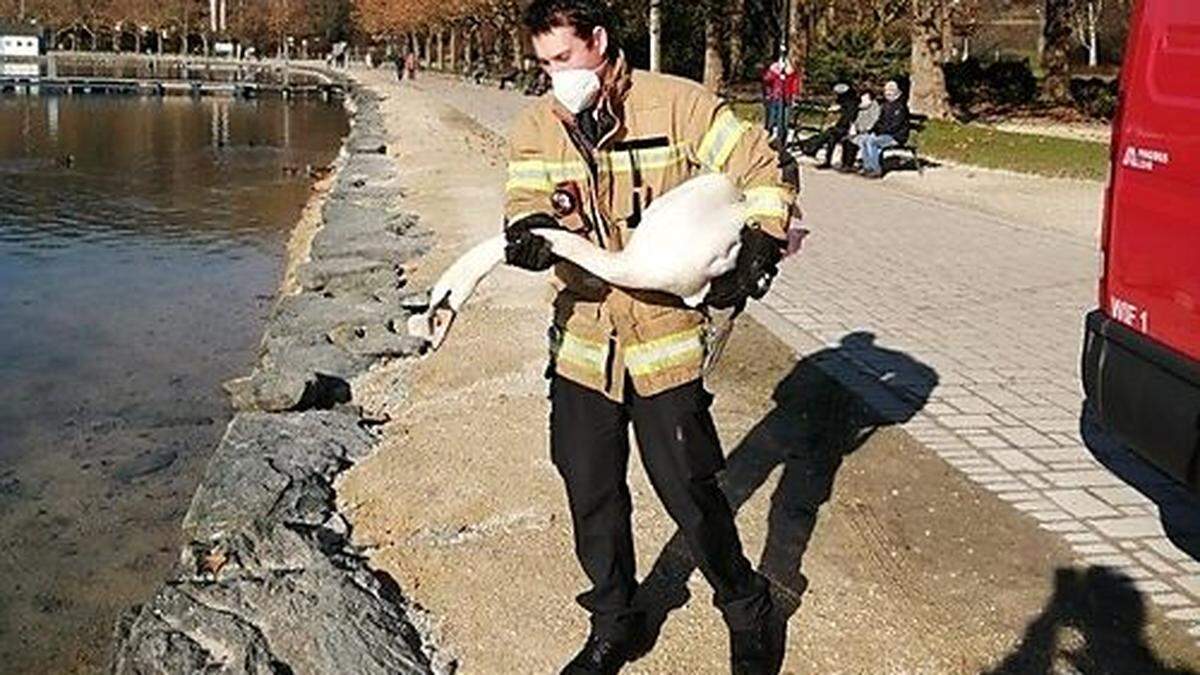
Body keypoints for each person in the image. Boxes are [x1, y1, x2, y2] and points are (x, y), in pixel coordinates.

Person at [504, 1, 796, 673]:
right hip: (583, 341)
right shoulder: (533, 127)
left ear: (599, 41)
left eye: (565, 58)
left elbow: (761, 168)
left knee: (689, 489)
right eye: (544, 64)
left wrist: (761, 241)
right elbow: (523, 201)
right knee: (590, 490)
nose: (556, 76)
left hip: (662, 341)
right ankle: (616, 620)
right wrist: (526, 233)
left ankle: (746, 602)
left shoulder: (679, 105)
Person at [859, 80, 910, 179]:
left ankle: (876, 169)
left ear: (896, 92)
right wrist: (874, 129)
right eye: (887, 91)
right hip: (884, 134)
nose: (888, 93)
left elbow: (894, 126)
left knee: (872, 142)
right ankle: (868, 167)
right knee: (865, 140)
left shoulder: (900, 107)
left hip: (896, 136)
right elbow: (880, 121)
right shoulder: (886, 105)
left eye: (891, 91)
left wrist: (880, 131)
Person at [799, 82, 856, 168]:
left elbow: (847, 119)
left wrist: (839, 109)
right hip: (841, 127)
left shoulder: (851, 104)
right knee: (830, 136)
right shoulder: (844, 102)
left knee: (830, 134)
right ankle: (817, 151)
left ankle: (813, 146)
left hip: (847, 128)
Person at [838, 90, 881, 173]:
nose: (863, 100)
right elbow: (857, 121)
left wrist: (861, 129)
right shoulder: (861, 108)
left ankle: (850, 164)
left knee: (855, 141)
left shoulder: (875, 108)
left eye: (865, 98)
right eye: (862, 98)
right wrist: (854, 127)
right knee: (846, 140)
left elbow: (873, 122)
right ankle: (845, 163)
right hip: (858, 131)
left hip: (867, 132)